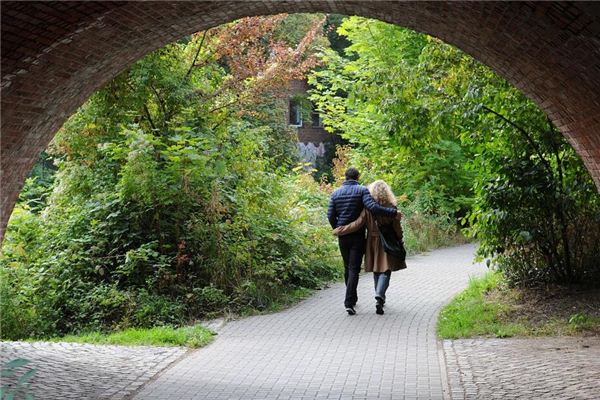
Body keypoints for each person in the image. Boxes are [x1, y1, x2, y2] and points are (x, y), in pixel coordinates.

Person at [328, 168, 399, 315]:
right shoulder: (362, 190)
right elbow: (372, 207)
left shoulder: (335, 193)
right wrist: (393, 213)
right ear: (358, 176)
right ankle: (350, 301)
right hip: (358, 237)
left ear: (345, 176)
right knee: (355, 268)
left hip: (344, 235)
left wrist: (338, 228)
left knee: (347, 267)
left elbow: (330, 215)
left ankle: (352, 300)